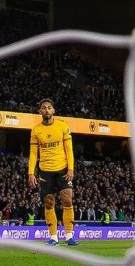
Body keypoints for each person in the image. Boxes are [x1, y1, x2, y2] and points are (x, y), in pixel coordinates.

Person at [27, 98, 78, 246]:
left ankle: (69, 236)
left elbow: (69, 149)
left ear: (53, 110)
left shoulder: (62, 126)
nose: (47, 110)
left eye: (49, 108)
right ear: (40, 111)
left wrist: (71, 168)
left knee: (67, 200)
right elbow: (33, 154)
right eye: (44, 108)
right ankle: (53, 237)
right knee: (49, 203)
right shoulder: (36, 130)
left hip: (62, 169)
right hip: (45, 171)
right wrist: (31, 173)